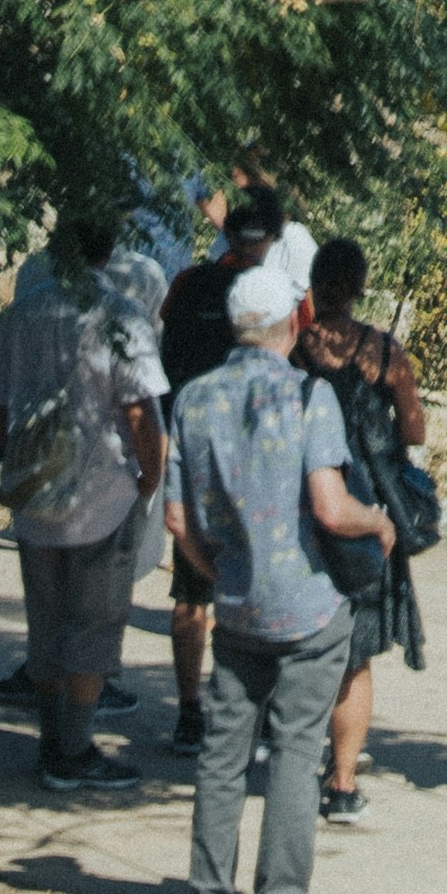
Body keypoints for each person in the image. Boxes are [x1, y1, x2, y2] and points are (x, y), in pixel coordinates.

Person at [167, 232, 385, 894]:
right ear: (293, 321)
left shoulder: (194, 399)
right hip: (306, 605)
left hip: (237, 604)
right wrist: (377, 522)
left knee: (223, 754)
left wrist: (221, 566)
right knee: (295, 753)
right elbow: (329, 505)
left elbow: (178, 518)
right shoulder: (306, 393)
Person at [0, 218, 165, 783]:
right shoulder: (121, 316)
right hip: (104, 491)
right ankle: (75, 748)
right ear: (109, 251)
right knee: (94, 623)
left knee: (46, 622)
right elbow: (140, 412)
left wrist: (20, 462)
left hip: (35, 490)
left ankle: (51, 741)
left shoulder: (21, 313)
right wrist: (148, 480)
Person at [299, 242, 424, 829]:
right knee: (357, 654)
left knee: (300, 634)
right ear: (360, 285)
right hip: (368, 508)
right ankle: (343, 782)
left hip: (306, 499)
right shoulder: (383, 350)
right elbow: (416, 429)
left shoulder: (296, 347)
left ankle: (293, 761)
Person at [156, 184, 281, 747]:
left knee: (191, 591)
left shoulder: (188, 283)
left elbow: (168, 355)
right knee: (258, 580)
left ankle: (187, 709)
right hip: (259, 456)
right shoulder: (280, 296)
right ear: (273, 238)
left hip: (199, 444)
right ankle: (250, 711)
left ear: (226, 231)